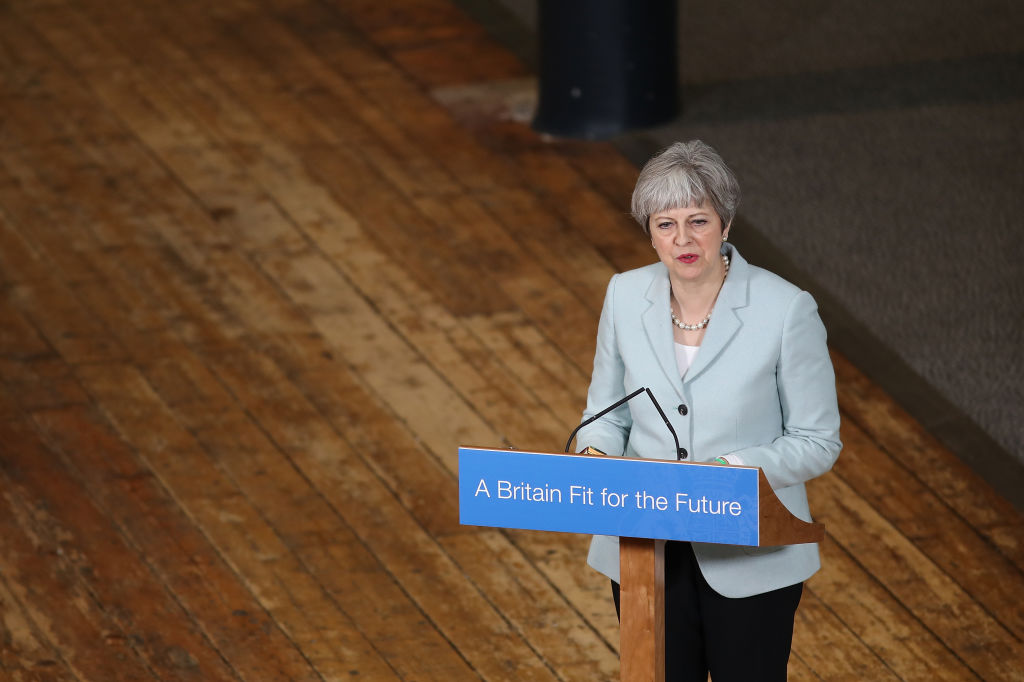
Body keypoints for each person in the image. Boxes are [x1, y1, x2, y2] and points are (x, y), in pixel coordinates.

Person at [575, 140, 842, 681]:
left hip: (751, 555)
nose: (682, 239)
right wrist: (595, 454)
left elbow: (818, 439)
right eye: (664, 224)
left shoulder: (787, 309)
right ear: (648, 230)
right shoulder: (624, 295)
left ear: (726, 222)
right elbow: (606, 411)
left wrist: (727, 475)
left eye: (698, 220)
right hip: (643, 548)